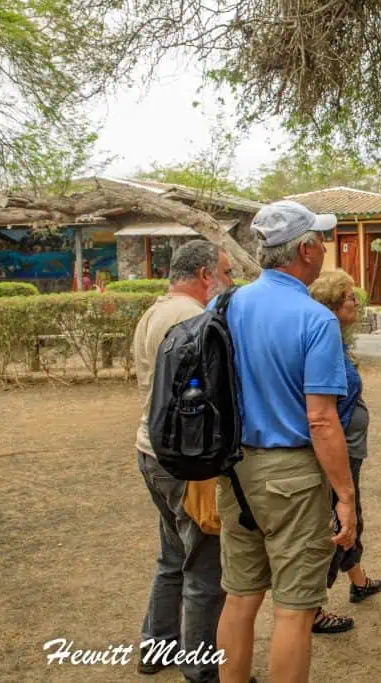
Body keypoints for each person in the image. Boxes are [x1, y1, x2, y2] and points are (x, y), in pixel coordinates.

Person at [215, 200, 358, 683]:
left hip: (235, 472)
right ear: (305, 249)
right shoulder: (315, 320)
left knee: (239, 597)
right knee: (295, 609)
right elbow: (321, 421)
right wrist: (345, 495)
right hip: (292, 477)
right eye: (319, 239)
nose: (323, 247)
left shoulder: (228, 305)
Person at [132, 240, 235, 682]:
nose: (230, 282)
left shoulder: (155, 312)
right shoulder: (194, 320)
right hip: (185, 460)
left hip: (150, 450)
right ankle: (200, 668)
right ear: (206, 275)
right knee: (203, 566)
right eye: (227, 273)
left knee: (172, 556)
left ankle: (156, 648)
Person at [309, 271, 381, 634]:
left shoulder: (337, 341)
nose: (356, 301)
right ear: (334, 306)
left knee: (352, 516)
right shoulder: (324, 343)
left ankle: (358, 579)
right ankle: (312, 608)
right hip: (337, 449)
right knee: (337, 523)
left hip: (350, 446)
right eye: (350, 297)